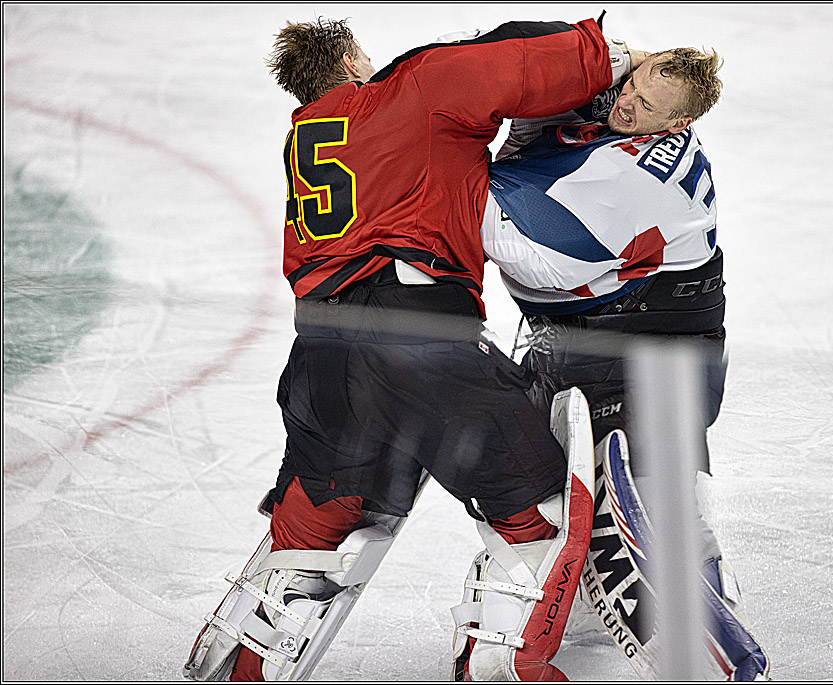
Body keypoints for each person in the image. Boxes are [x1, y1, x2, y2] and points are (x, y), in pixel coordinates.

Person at [182, 15, 642, 682]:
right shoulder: (410, 90)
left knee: (321, 503)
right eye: (365, 55)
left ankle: (249, 660)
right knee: (540, 501)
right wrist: (609, 54)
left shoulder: (309, 133)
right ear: (348, 65)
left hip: (321, 354)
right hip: (418, 338)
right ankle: (507, 661)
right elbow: (513, 65)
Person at [478, 47, 771, 679]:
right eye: (632, 83)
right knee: (620, 482)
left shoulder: (639, 178)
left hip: (645, 353)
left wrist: (431, 184)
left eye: (646, 105)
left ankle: (701, 600)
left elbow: (534, 254)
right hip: (608, 339)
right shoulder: (620, 112)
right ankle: (675, 576)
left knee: (640, 491)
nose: (627, 102)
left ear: (674, 126)